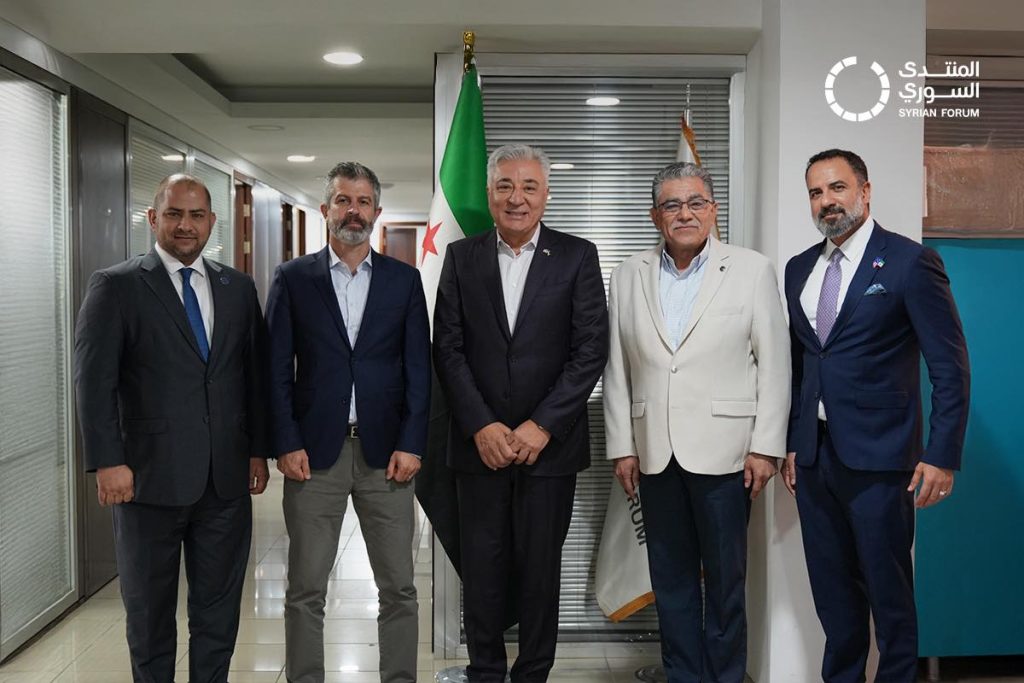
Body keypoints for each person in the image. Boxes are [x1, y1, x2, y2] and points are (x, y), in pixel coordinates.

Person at [781, 149, 970, 683]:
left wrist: (942, 454)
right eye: (816, 192)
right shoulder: (799, 269)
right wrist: (793, 442)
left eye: (837, 188)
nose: (827, 201)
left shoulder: (910, 262)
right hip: (814, 459)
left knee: (889, 597)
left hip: (882, 460)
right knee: (833, 597)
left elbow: (950, 367)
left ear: (865, 191)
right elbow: (801, 366)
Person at [74, 174, 270, 683]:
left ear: (211, 222)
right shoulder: (116, 286)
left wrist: (257, 450)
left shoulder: (237, 288)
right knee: (149, 615)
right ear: (153, 218)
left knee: (218, 614)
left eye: (197, 215)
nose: (186, 225)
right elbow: (93, 383)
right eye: (175, 214)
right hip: (146, 481)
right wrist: (108, 461)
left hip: (224, 482)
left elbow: (252, 377)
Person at [603, 161, 790, 683]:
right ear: (654, 215)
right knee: (671, 582)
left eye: (695, 203)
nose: (684, 214)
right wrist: (622, 445)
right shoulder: (628, 273)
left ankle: (726, 677)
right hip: (654, 453)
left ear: (712, 210)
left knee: (727, 584)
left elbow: (776, 365)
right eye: (672, 204)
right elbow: (617, 366)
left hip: (729, 455)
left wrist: (766, 447)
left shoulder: (751, 269)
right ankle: (683, 675)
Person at [433, 143, 608, 682]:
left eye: (529, 186)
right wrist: (482, 425)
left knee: (540, 572)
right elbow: (448, 348)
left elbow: (590, 351)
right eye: (505, 186)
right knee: (481, 571)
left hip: (549, 450)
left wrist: (542, 425)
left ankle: (533, 673)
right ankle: (485, 671)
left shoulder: (577, 256)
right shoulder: (461, 257)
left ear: (546, 195)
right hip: (478, 447)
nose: (517, 198)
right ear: (489, 194)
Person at [265, 161, 430, 683]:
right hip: (315, 456)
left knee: (399, 587)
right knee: (306, 588)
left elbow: (419, 369)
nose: (352, 211)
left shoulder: (404, 281)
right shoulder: (293, 279)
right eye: (343, 200)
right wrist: (285, 441)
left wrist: (412, 443)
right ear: (325, 209)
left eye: (362, 202)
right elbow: (275, 370)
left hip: (387, 457)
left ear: (376, 212)